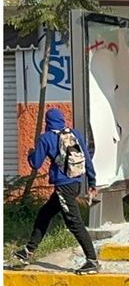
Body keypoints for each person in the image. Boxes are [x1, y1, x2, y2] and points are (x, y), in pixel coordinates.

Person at [13, 108, 100, 274]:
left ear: (47, 122)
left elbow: (36, 164)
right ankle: (27, 251)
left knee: (74, 223)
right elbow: (87, 158)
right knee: (44, 214)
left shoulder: (46, 138)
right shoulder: (74, 133)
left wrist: (31, 154)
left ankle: (92, 261)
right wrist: (92, 181)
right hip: (76, 183)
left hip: (63, 187)